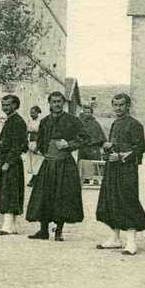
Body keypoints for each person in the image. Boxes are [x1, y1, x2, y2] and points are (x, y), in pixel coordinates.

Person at [25, 91, 85, 241]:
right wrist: (41, 149)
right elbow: (41, 140)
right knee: (43, 196)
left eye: (59, 101)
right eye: (54, 102)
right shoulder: (45, 121)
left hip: (64, 163)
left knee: (62, 196)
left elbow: (84, 138)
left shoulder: (72, 120)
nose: (56, 104)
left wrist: (68, 144)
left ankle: (59, 231)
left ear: (63, 103)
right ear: (49, 103)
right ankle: (43, 231)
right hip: (48, 164)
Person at [96, 93, 145, 255]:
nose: (118, 108)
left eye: (121, 105)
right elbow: (116, 144)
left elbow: (140, 148)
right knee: (111, 200)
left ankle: (131, 242)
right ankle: (115, 238)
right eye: (115, 105)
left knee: (127, 200)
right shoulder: (115, 123)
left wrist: (120, 156)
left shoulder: (135, 124)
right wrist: (108, 147)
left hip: (127, 170)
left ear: (128, 106)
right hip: (112, 168)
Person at [0, 94, 29, 234]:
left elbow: (18, 145)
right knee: (8, 190)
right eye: (3, 105)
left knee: (9, 191)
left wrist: (8, 162)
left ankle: (7, 225)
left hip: (11, 162)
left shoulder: (17, 122)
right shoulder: (10, 120)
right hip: (6, 159)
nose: (5, 108)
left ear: (15, 105)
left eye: (8, 105)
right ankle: (12, 225)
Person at [77, 104, 107, 185]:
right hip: (83, 147)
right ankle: (85, 179)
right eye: (85, 112)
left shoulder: (95, 124)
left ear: (91, 113)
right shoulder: (79, 123)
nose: (87, 114)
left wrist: (101, 144)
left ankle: (96, 179)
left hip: (93, 148)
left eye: (89, 112)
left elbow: (101, 136)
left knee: (95, 163)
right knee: (83, 163)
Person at [25, 105, 43, 181]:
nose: (31, 114)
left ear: (37, 113)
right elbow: (27, 131)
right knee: (31, 161)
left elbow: (41, 134)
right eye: (30, 113)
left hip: (37, 142)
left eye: (33, 113)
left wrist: (38, 146)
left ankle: (35, 179)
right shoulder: (30, 121)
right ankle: (34, 177)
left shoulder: (40, 122)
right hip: (31, 142)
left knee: (37, 161)